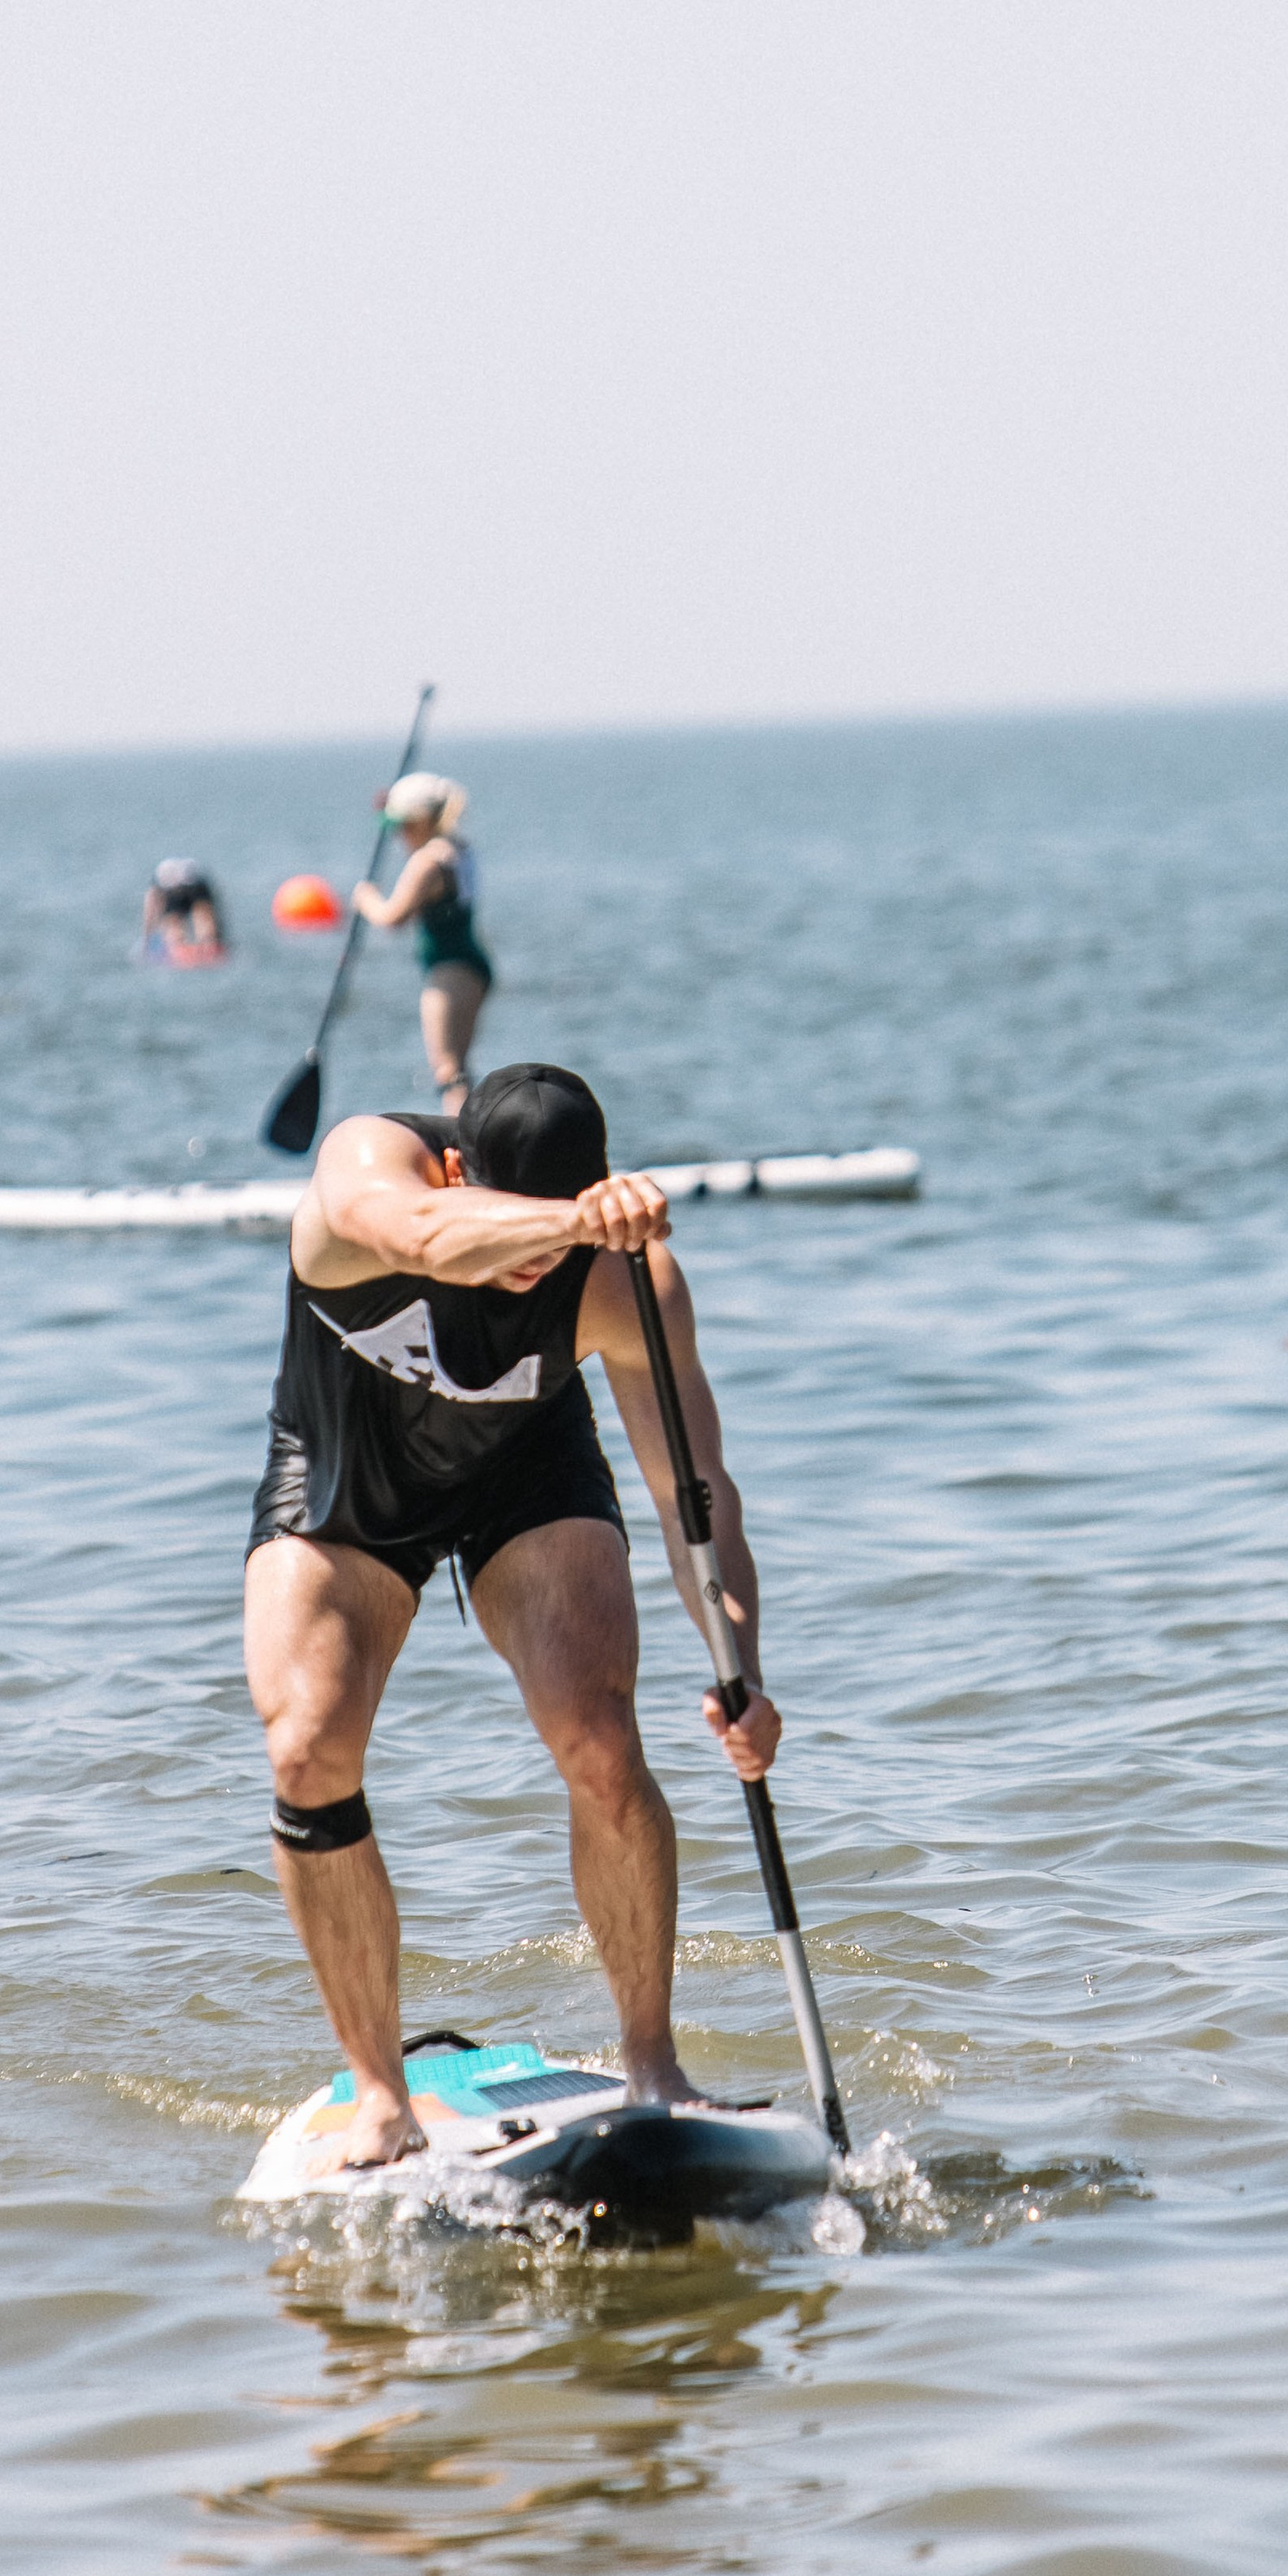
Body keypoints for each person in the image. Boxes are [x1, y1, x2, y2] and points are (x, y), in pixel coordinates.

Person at [243, 1062, 783, 2166]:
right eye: (537, 1234)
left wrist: (742, 1669)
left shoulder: (622, 1280)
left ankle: (653, 2066)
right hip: (349, 1483)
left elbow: (698, 1496)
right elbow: (435, 1240)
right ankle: (382, 2098)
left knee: (598, 1737)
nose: (543, 1264)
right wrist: (569, 1218)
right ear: (453, 1167)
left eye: (565, 1241)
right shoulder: (365, 1175)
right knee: (306, 1752)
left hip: (524, 1477)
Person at [346, 772, 492, 1114]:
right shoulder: (457, 848)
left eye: (404, 825)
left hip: (449, 970)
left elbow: (392, 917)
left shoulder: (428, 862)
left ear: (423, 820)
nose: (399, 834)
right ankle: (472, 1141)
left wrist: (365, 898)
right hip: (471, 964)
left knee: (447, 1071)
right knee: (460, 1066)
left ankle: (459, 1147)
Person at [140, 857, 227, 962]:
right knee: (205, 925)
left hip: (174, 890)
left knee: (174, 927)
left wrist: (147, 938)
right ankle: (209, 946)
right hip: (197, 887)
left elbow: (150, 910)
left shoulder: (158, 884)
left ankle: (181, 946)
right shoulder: (196, 878)